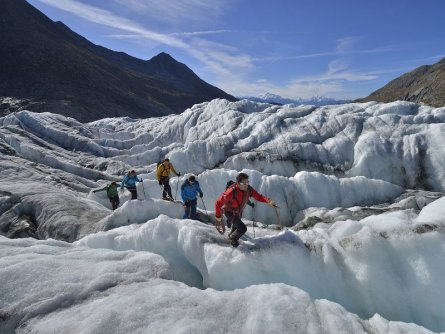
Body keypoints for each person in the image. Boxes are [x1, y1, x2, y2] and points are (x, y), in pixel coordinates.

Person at [215, 172, 277, 247]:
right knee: (242, 228)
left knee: (236, 226)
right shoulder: (230, 192)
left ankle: (231, 234)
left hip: (238, 212)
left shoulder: (249, 190)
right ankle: (233, 239)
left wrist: (268, 201)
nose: (246, 185)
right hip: (229, 212)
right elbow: (218, 203)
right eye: (244, 183)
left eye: (247, 182)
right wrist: (218, 217)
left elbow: (258, 196)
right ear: (238, 183)